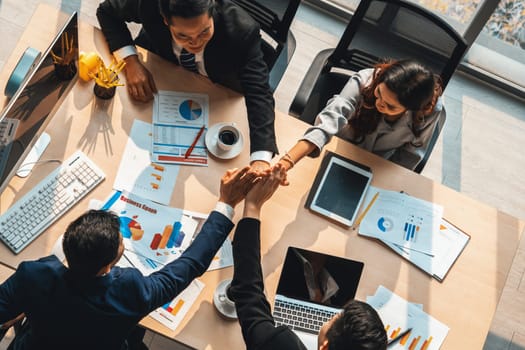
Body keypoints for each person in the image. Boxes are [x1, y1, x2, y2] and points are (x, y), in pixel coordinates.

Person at [0, 166, 258, 350]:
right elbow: (190, 265)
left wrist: (30, 303)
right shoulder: (130, 292)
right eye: (121, 242)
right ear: (107, 265)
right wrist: (226, 203)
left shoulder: (33, 276)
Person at [96, 0, 277, 171]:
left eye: (204, 32)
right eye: (182, 35)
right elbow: (106, 11)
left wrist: (260, 159)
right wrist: (131, 62)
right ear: (165, 20)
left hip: (216, 96)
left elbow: (259, 92)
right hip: (162, 75)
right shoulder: (150, 4)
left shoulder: (242, 31)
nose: (195, 43)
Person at [229, 164, 388, 349]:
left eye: (331, 319)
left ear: (325, 346)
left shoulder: (283, 344)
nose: (328, 317)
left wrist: (253, 206)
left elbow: (248, 293)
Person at [278, 59, 444, 173]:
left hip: (376, 166)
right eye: (379, 93)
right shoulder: (366, 80)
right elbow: (330, 119)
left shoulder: (428, 111)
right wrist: (286, 163)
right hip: (337, 150)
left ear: (410, 109)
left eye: (391, 106)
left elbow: (409, 155)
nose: (379, 104)